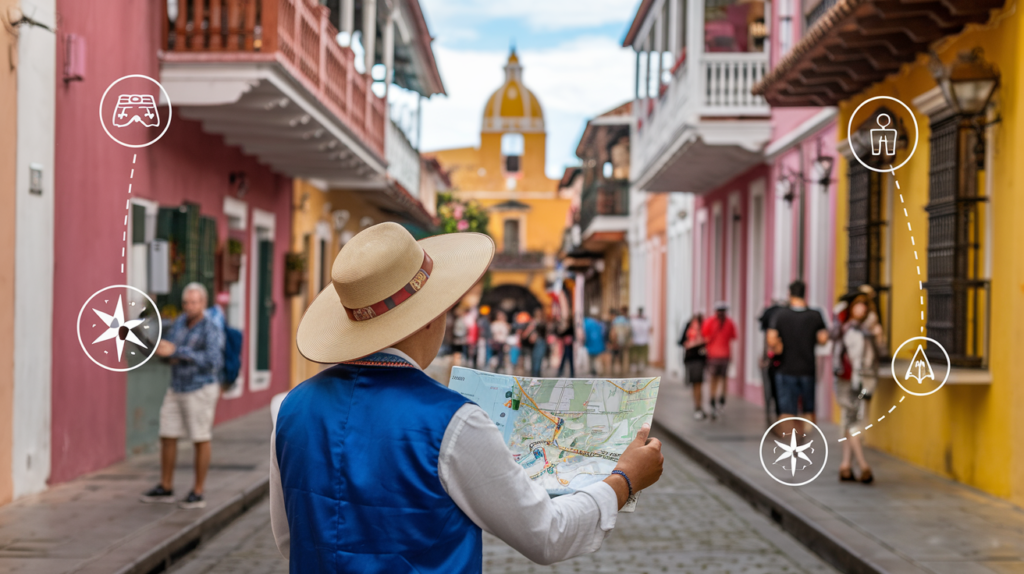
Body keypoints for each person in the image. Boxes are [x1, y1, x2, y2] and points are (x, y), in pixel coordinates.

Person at [274, 223, 664, 572]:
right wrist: (624, 480)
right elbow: (548, 534)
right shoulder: (453, 422)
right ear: (431, 315)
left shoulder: (290, 407)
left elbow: (289, 537)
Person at [141, 282, 225, 509]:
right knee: (167, 433)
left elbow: (214, 361)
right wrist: (164, 351)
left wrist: (179, 352)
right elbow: (170, 348)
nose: (189, 306)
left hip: (200, 389)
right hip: (176, 386)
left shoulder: (211, 326)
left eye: (194, 302)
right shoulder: (179, 322)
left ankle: (198, 491)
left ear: (203, 303)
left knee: (200, 437)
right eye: (187, 302)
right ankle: (165, 487)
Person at [832, 290, 884, 484]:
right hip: (847, 381)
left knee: (850, 422)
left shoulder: (870, 330)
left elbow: (879, 354)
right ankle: (863, 466)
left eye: (865, 305)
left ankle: (845, 466)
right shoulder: (845, 328)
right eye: (857, 304)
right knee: (853, 423)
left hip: (862, 381)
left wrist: (877, 337)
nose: (861, 308)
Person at [767, 280, 829, 436]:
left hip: (785, 368)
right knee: (807, 411)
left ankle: (790, 445)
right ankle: (803, 442)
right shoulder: (815, 315)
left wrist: (779, 345)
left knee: (787, 410)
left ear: (789, 294)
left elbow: (771, 339)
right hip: (807, 368)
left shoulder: (780, 315)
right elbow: (823, 339)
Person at [701, 302, 736, 419]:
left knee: (714, 379)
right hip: (723, 355)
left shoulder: (710, 321)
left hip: (714, 356)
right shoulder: (729, 322)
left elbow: (705, 336)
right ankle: (720, 400)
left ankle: (713, 400)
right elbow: (732, 337)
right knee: (722, 379)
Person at [679, 313, 707, 420]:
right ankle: (697, 407)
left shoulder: (703, 329)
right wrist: (690, 343)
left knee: (698, 384)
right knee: (695, 384)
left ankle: (699, 407)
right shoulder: (688, 327)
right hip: (691, 360)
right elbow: (681, 341)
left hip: (699, 359)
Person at [520, 308, 547, 377]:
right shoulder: (533, 323)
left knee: (537, 362)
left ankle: (536, 377)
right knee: (535, 362)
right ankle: (535, 377)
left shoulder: (540, 323)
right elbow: (525, 335)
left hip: (539, 343)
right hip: (534, 344)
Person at [583, 306, 606, 376]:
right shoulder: (598, 323)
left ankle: (592, 371)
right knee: (595, 359)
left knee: (591, 359)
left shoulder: (587, 322)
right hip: (596, 345)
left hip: (591, 344)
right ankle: (594, 371)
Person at [609, 307, 632, 376]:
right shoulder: (626, 320)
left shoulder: (615, 320)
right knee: (621, 355)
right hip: (622, 341)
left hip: (616, 340)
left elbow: (612, 332)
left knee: (614, 355)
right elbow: (628, 331)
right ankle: (621, 370)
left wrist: (612, 340)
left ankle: (612, 370)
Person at [629, 307, 651, 374]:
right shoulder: (637, 320)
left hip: (642, 341)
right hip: (638, 341)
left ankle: (639, 366)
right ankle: (637, 366)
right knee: (638, 355)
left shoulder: (644, 320)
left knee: (640, 355)